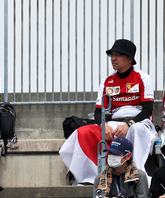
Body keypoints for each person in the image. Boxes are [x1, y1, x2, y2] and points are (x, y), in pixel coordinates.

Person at [60, 40, 155, 185]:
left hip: (138, 121)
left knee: (137, 129)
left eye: (118, 55)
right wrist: (104, 126)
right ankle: (89, 178)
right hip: (113, 121)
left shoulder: (143, 78)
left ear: (130, 59)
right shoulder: (107, 81)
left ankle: (135, 175)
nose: (113, 58)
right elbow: (98, 112)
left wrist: (129, 124)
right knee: (83, 132)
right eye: (112, 55)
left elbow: (148, 110)